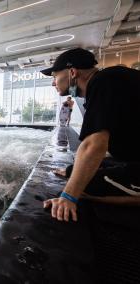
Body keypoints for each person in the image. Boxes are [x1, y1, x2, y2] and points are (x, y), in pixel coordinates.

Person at [40, 48, 140, 222]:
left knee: (84, 187)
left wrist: (69, 197)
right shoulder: (109, 80)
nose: (53, 83)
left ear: (72, 72)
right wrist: (73, 170)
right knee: (78, 173)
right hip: (134, 158)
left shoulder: (104, 82)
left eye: (55, 76)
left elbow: (94, 144)